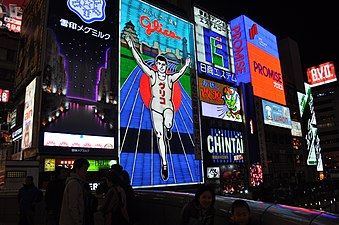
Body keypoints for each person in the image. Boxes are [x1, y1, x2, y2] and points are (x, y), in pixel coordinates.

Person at [125, 33, 191, 181]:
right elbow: (141, 63)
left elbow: (180, 73)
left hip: (168, 107)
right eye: (159, 64)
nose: (161, 67)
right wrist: (131, 47)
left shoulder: (170, 78)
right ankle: (164, 163)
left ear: (166, 66)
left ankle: (169, 127)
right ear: (156, 65)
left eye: (163, 65)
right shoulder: (153, 75)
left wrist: (186, 64)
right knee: (159, 136)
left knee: (168, 122)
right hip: (155, 108)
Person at [59, 158, 97, 225]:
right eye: (84, 169)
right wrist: (78, 222)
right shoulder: (74, 184)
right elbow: (73, 207)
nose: (86, 172)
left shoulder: (75, 183)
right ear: (77, 170)